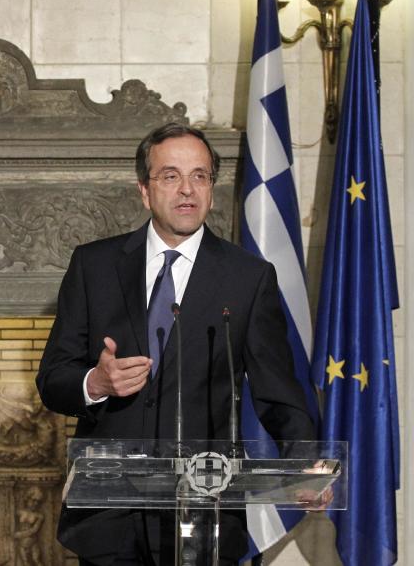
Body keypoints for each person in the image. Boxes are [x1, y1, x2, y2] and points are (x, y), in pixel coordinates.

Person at [35, 123, 315, 565]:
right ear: (145, 191)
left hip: (207, 514)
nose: (187, 189)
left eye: (200, 176)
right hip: (111, 517)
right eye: (170, 176)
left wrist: (305, 464)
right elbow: (53, 380)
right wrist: (97, 382)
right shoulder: (94, 265)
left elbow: (280, 394)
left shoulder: (248, 278)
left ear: (211, 189)